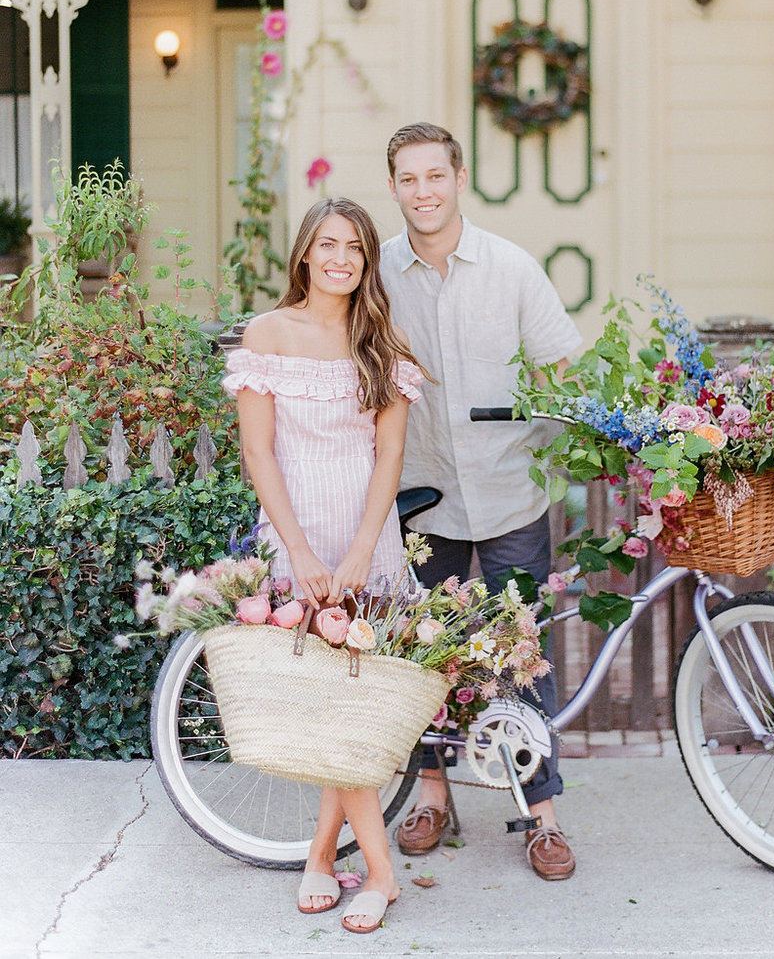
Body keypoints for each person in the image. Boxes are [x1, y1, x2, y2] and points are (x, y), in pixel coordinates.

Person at [380, 122, 581, 882]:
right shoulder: (381, 274)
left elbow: (564, 361)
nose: (424, 191)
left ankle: (540, 813)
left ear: (460, 177)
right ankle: (432, 794)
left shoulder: (513, 268)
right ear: (395, 186)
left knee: (521, 660)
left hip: (509, 493)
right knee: (427, 656)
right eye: (409, 178)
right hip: (420, 500)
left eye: (436, 175)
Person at [222, 197, 426, 934]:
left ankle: (325, 858)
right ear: (305, 253)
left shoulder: (383, 346)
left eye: (355, 248)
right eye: (327, 244)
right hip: (296, 535)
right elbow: (258, 453)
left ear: (368, 261)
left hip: (367, 537)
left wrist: (362, 551)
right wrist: (303, 552)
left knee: (357, 707)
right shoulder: (267, 334)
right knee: (322, 703)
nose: (341, 257)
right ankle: (377, 869)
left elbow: (390, 459)